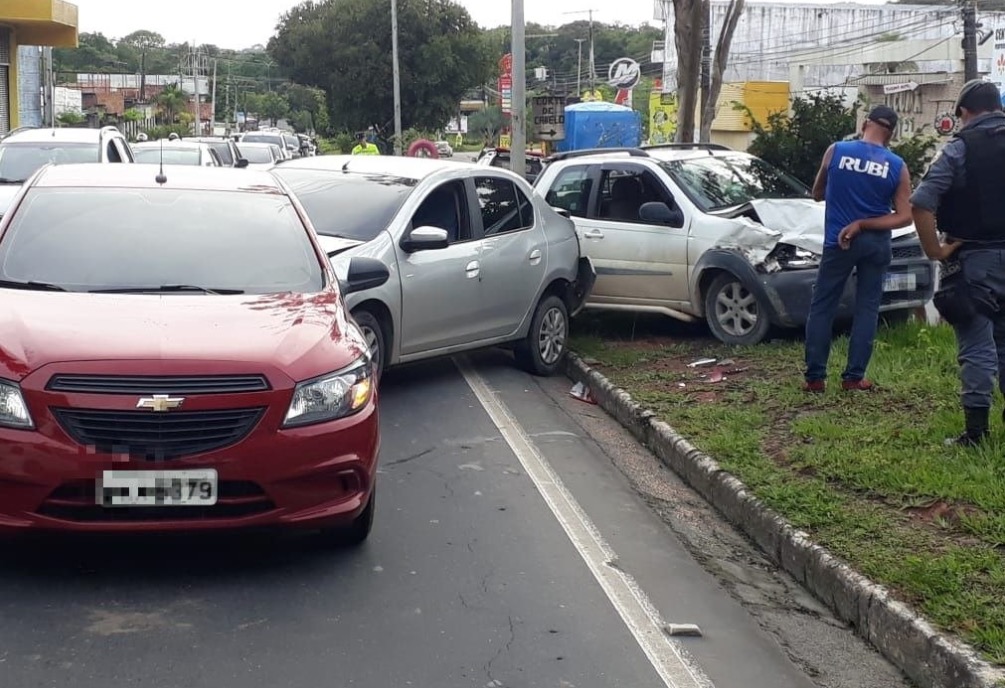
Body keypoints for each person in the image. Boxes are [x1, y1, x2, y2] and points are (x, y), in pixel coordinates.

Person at [910, 79, 1005, 446]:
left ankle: (977, 433)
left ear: (964, 113)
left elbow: (922, 202)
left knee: (978, 344)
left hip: (976, 261)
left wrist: (935, 251)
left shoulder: (960, 149)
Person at [803, 105, 913, 393]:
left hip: (839, 241)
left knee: (823, 306)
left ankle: (815, 377)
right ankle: (854, 378)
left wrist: (845, 201)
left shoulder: (836, 150)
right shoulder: (897, 166)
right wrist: (865, 222)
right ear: (890, 134)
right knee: (867, 308)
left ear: (865, 123)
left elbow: (816, 193)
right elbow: (904, 216)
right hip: (876, 243)